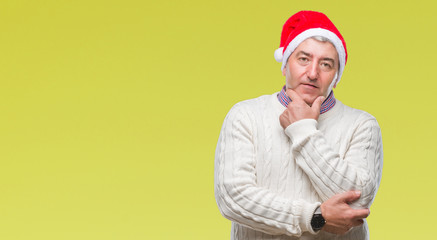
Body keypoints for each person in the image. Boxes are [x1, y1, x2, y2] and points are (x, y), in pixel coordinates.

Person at [214, 11, 383, 240]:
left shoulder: (362, 125)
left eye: (326, 64)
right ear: (285, 65)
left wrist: (303, 130)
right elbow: (233, 199)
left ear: (336, 76)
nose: (313, 73)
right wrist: (315, 216)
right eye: (303, 59)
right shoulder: (245, 115)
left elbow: (357, 203)